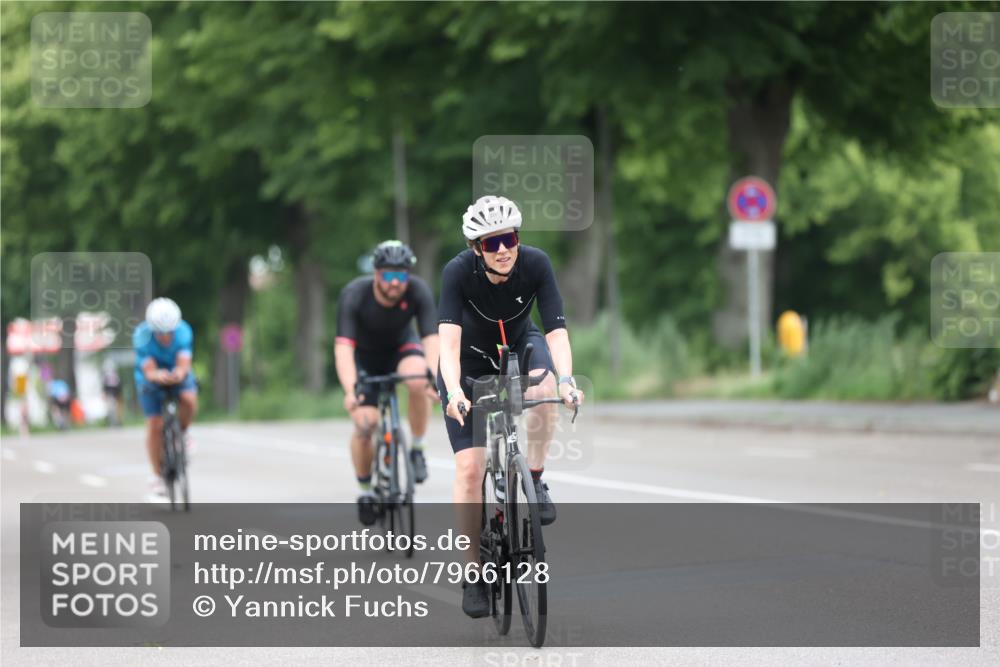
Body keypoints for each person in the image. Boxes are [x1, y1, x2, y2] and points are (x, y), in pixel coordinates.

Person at [437, 195, 584, 617]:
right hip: (467, 363)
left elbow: (556, 332)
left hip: (521, 345)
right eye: (491, 243)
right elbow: (447, 345)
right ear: (476, 249)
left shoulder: (536, 263)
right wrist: (453, 392)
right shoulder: (457, 273)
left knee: (545, 388)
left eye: (509, 239)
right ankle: (473, 575)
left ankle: (534, 478)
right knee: (470, 469)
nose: (503, 250)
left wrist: (569, 381)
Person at [334, 240, 440, 525]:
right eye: (389, 276)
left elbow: (431, 338)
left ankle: (417, 448)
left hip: (401, 350)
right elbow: (343, 347)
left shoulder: (418, 291)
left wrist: (434, 376)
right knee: (365, 424)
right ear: (376, 274)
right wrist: (350, 390)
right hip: (364, 360)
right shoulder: (354, 294)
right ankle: (367, 489)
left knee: (419, 380)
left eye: (401, 276)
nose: (395, 283)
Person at [133, 298, 198, 503]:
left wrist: (179, 374)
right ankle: (156, 476)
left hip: (176, 373)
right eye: (160, 333)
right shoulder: (142, 336)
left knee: (188, 398)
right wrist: (155, 376)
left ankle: (184, 432)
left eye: (169, 332)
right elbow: (149, 368)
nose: (165, 337)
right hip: (151, 379)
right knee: (155, 424)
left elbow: (184, 362)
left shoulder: (184, 331)